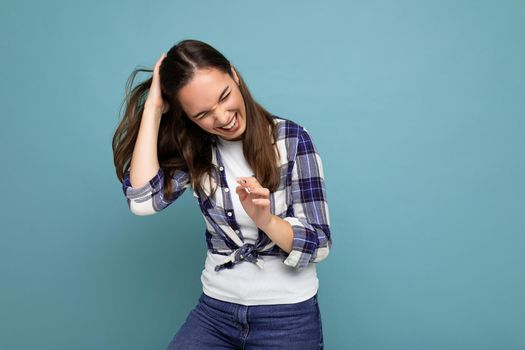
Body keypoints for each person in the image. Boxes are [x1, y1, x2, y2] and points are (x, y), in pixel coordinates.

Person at [112, 39, 332, 349]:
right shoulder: (197, 149)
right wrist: (153, 108)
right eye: (202, 114)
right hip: (216, 312)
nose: (222, 117)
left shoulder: (292, 140)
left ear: (234, 75)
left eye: (224, 96)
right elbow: (142, 201)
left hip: (288, 317)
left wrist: (266, 220)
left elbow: (319, 245)